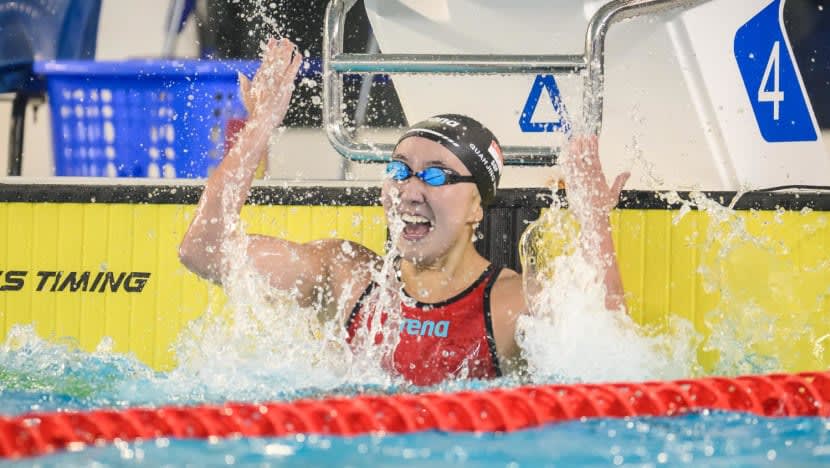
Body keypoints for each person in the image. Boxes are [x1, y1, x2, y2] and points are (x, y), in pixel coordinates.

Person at [178, 38, 629, 386]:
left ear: (476, 206)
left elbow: (609, 352)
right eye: (399, 170)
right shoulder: (345, 279)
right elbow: (203, 251)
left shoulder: (512, 305)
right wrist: (258, 128)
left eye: (436, 175)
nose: (410, 190)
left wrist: (595, 220)